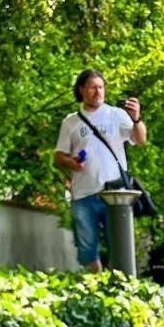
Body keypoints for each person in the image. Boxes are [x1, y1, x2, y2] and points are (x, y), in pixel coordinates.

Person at [53, 70, 147, 271]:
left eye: (101, 87)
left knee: (120, 246)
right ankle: (97, 288)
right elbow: (59, 156)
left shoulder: (116, 115)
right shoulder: (71, 122)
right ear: (81, 90)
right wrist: (72, 162)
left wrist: (137, 119)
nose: (98, 92)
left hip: (115, 194)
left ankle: (121, 291)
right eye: (92, 87)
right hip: (83, 194)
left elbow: (140, 140)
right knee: (87, 249)